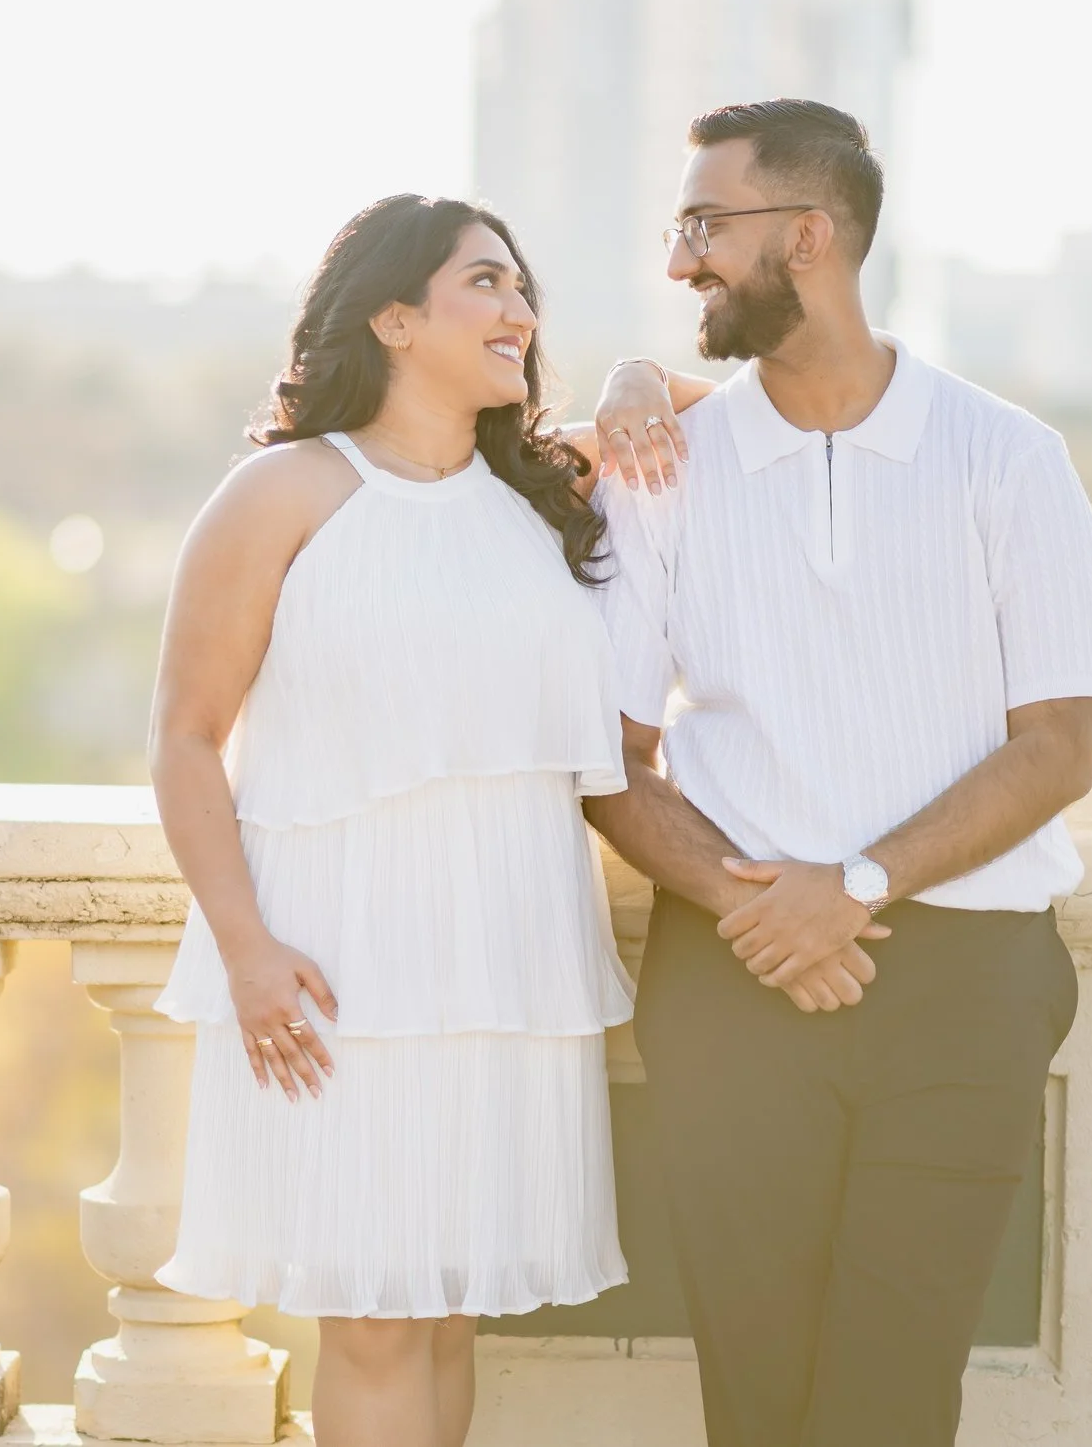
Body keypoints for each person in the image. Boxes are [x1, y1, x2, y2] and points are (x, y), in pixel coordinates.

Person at [146, 194, 880, 1447]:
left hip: (502, 956)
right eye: (484, 284)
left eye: (523, 287)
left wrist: (643, 375)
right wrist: (245, 950)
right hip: (338, 960)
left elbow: (766, 408)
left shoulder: (545, 483)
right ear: (391, 315)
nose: (520, 311)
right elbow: (183, 738)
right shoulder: (283, 492)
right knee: (372, 1315)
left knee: (444, 1313)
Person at [581, 99, 1092, 1447]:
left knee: (894, 1393)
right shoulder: (665, 465)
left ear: (808, 237)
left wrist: (858, 883)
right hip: (733, 970)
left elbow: (1060, 743)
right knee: (755, 1397)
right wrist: (765, 905)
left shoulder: (1009, 459)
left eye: (706, 225)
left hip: (965, 982)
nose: (679, 261)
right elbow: (606, 748)